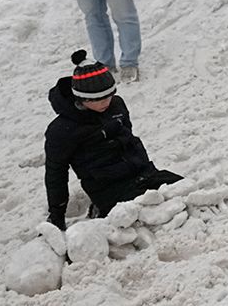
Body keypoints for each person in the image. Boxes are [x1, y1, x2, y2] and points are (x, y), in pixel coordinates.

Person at [44, 50, 183, 229]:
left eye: (108, 96)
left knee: (185, 190)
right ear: (81, 98)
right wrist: (56, 215)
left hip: (145, 174)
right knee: (144, 217)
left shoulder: (116, 105)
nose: (105, 103)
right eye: (97, 99)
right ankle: (101, 211)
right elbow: (56, 174)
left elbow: (128, 139)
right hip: (109, 189)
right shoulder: (62, 131)